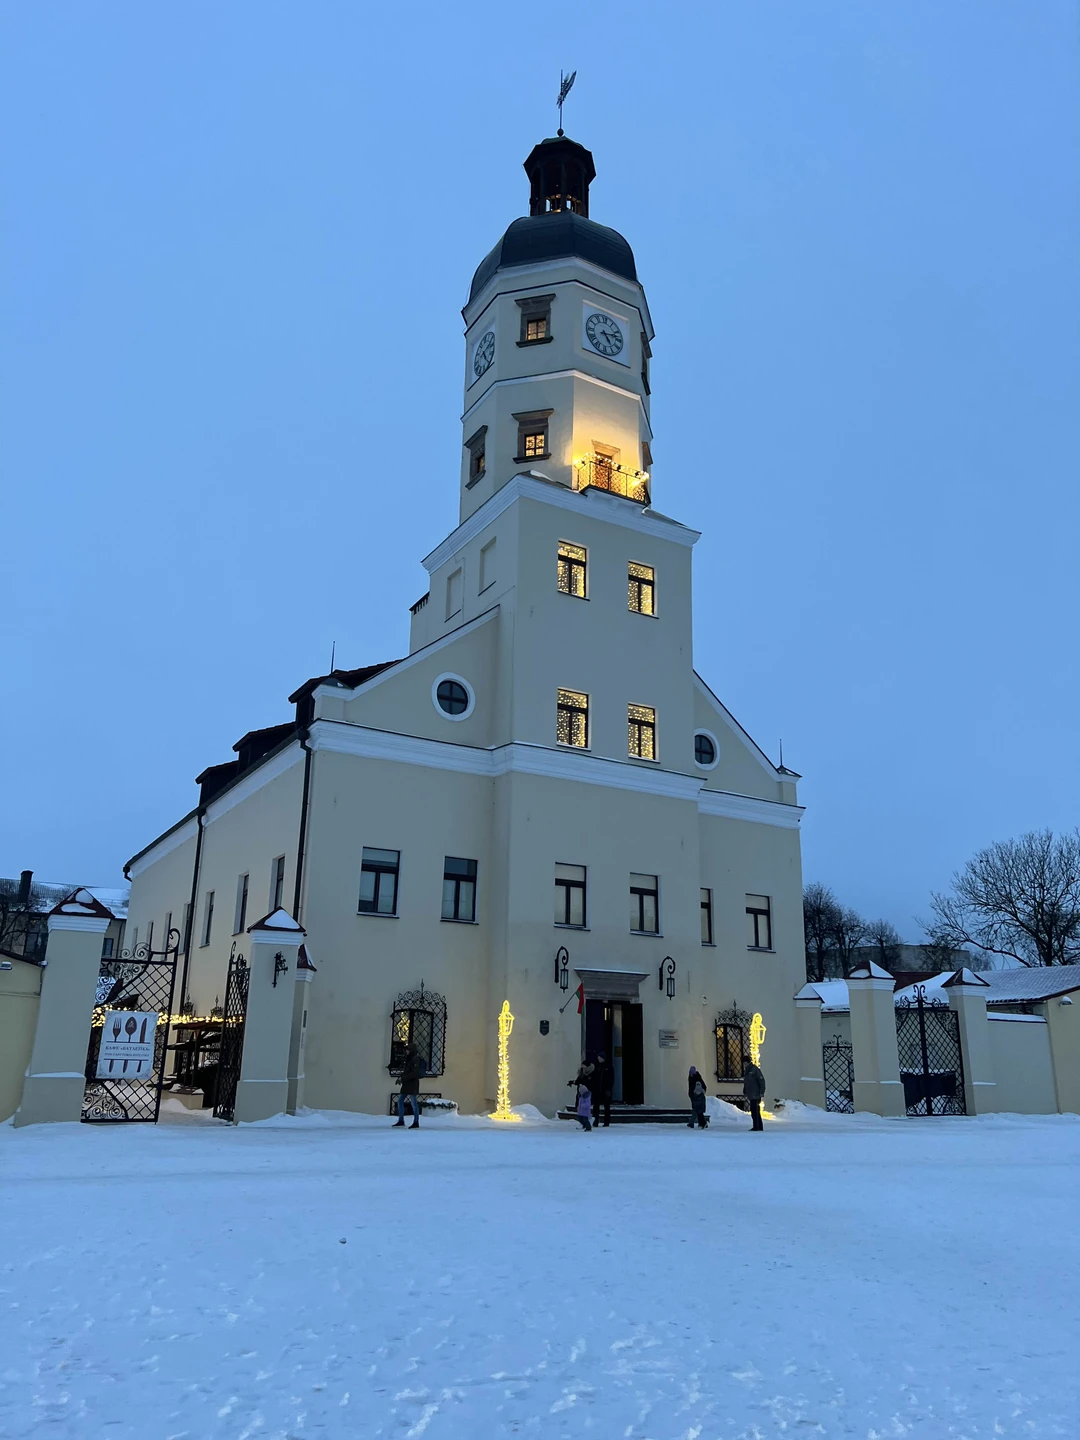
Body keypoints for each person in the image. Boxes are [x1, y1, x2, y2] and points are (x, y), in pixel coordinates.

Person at [393, 1044, 426, 1128]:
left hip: (412, 1084)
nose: (406, 1051)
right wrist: (400, 1078)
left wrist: (403, 1078)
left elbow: (414, 1073)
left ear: (411, 1050)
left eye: (407, 1050)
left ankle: (416, 1122)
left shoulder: (415, 1059)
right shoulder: (409, 1059)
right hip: (407, 1084)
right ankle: (401, 1120)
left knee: (413, 1103)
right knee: (400, 1101)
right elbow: (406, 1071)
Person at [568, 1061, 595, 1131]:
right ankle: (582, 1123)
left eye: (584, 1065)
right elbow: (578, 1081)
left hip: (587, 1091)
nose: (582, 1066)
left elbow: (594, 1083)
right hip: (581, 1091)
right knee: (579, 1106)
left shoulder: (592, 1073)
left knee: (585, 1108)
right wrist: (572, 1082)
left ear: (587, 1066)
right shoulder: (581, 1072)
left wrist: (587, 1088)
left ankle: (588, 1121)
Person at [742, 1057, 766, 1131]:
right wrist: (745, 1091)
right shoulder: (748, 1070)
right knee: (755, 1111)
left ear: (747, 1062)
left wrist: (761, 1092)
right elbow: (747, 1082)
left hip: (756, 1094)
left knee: (755, 1111)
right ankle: (758, 1126)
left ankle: (756, 1126)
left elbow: (761, 1080)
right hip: (751, 1094)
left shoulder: (754, 1070)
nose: (744, 1065)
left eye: (745, 1063)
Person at [593, 1051, 615, 1127]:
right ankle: (595, 1121)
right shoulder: (596, 1066)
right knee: (596, 1106)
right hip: (597, 1089)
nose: (598, 1059)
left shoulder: (608, 1066)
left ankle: (606, 1121)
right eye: (598, 1058)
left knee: (606, 1106)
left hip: (605, 1089)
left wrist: (609, 1089)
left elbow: (611, 1078)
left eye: (600, 1058)